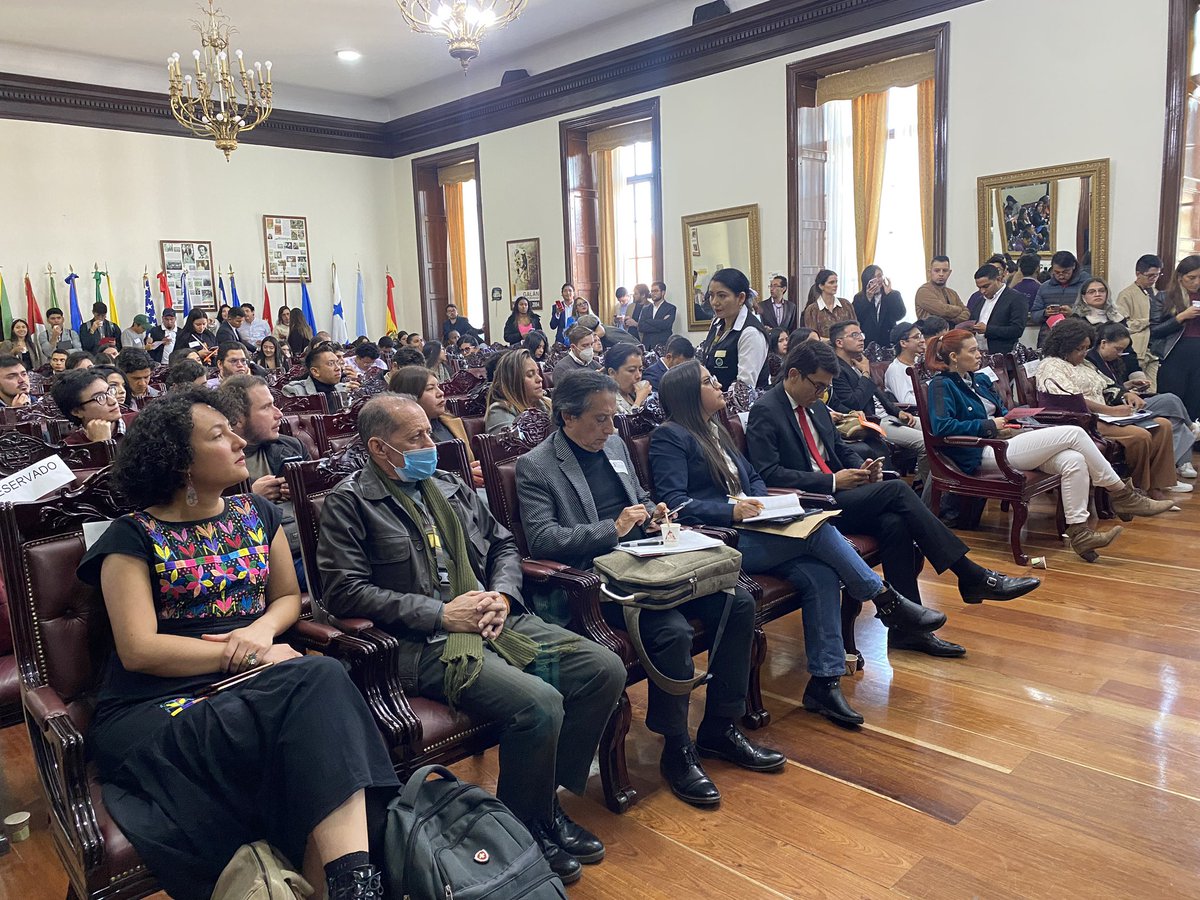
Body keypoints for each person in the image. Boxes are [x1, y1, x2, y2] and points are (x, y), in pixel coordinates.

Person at [76, 388, 397, 900]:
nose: (237, 439)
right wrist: (253, 653)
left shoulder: (258, 515)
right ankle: (357, 883)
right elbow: (139, 650)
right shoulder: (130, 537)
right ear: (180, 461)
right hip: (156, 704)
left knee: (315, 701)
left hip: (254, 685)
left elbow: (290, 598)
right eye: (218, 434)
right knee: (320, 679)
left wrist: (262, 633)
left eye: (232, 429)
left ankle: (346, 884)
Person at [317, 394, 625, 885]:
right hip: (425, 643)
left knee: (602, 669)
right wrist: (441, 613)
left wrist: (502, 594)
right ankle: (525, 829)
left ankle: (542, 806)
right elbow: (344, 592)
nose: (429, 443)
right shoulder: (349, 503)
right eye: (415, 437)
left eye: (428, 432)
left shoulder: (448, 484)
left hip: (492, 617)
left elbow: (503, 542)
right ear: (379, 447)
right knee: (540, 703)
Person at [516, 371, 791, 806]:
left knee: (737, 600)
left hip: (650, 559)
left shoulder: (613, 444)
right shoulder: (538, 465)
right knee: (672, 631)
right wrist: (613, 527)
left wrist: (653, 511)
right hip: (600, 578)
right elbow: (544, 540)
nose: (611, 429)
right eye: (600, 420)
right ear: (567, 417)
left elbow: (639, 495)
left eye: (613, 418)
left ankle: (721, 725)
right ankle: (677, 746)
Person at [747, 339, 1041, 656]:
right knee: (899, 489)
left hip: (838, 495)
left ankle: (908, 632)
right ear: (793, 374)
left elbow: (838, 448)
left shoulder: (816, 406)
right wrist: (832, 481)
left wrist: (860, 467)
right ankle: (971, 575)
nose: (821, 394)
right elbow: (769, 474)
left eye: (825, 387)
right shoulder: (766, 411)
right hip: (807, 505)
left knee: (895, 523)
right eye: (817, 386)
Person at [925, 329, 1174, 560]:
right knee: (1074, 434)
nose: (979, 354)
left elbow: (1002, 411)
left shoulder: (977, 380)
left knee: (1073, 460)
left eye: (977, 349)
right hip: (980, 452)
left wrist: (1015, 417)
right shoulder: (941, 384)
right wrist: (989, 425)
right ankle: (1122, 494)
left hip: (1006, 439)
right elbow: (942, 428)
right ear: (954, 357)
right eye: (972, 351)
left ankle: (1081, 533)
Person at [1038, 319, 1188, 497]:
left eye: (1086, 348)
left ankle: (1157, 487)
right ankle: (1135, 491)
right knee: (1140, 436)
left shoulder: (1083, 364)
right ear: (1064, 345)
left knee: (1163, 425)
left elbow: (1107, 385)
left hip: (1105, 416)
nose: (1084, 353)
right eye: (1080, 349)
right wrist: (1111, 411)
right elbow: (1071, 399)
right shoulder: (1052, 365)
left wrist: (1126, 394)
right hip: (1082, 420)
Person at [216, 375, 310, 586]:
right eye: (267, 407)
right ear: (238, 418)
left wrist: (303, 490)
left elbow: (323, 501)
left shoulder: (291, 447)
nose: (279, 414)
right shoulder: (217, 460)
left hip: (312, 546)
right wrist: (250, 498)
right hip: (259, 562)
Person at [1088, 320, 1199, 479]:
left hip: (1124, 401)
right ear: (1103, 343)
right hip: (1115, 408)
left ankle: (1175, 467)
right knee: (1170, 400)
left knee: (1173, 420)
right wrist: (1125, 392)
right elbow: (1104, 389)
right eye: (1118, 349)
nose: (1120, 354)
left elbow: (1111, 385)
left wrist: (1129, 385)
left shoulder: (1109, 360)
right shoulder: (1091, 360)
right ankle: (1192, 430)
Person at [828, 320, 929, 491]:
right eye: (855, 335)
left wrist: (898, 412)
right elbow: (854, 402)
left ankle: (928, 484)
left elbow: (877, 393)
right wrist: (866, 373)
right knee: (925, 443)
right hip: (872, 421)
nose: (861, 339)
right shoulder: (837, 369)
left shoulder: (856, 363)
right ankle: (926, 492)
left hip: (888, 416)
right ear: (839, 342)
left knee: (934, 431)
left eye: (861, 334)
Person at [388, 366, 485, 487]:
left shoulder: (452, 422)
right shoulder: (402, 436)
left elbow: (468, 462)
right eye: (430, 389)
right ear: (410, 395)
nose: (441, 393)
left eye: (438, 387)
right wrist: (461, 476)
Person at [1151, 254, 1200, 421]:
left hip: (1198, 355)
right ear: (1180, 277)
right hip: (1174, 355)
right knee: (1172, 402)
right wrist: (1181, 317)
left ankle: (1195, 441)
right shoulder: (1165, 297)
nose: (1196, 283)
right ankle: (1171, 442)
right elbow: (1154, 331)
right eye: (1191, 278)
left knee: (1196, 402)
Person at [702, 267, 768, 390]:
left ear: (741, 298)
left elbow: (744, 387)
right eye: (711, 295)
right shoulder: (717, 323)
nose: (715, 302)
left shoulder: (751, 333)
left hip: (745, 407)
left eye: (722, 296)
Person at [1115, 254, 1164, 390]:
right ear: (1138, 274)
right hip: (1137, 350)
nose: (1154, 279)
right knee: (1138, 389)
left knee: (1153, 390)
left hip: (1154, 350)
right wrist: (1149, 321)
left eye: (1157, 275)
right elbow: (1124, 325)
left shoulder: (1157, 293)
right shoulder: (1126, 294)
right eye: (1150, 275)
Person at [51, 368, 135, 443]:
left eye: (110, 391)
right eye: (100, 397)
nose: (113, 401)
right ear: (76, 411)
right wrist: (100, 445)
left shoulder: (139, 422)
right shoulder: (70, 449)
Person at [966, 264, 1028, 354]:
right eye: (979, 287)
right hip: (979, 353)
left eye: (986, 286)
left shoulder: (1016, 298)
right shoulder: (979, 300)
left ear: (998, 279)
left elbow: (1017, 330)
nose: (982, 291)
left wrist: (988, 330)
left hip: (1003, 355)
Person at [484, 348, 550, 433]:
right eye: (530, 375)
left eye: (537, 373)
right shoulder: (500, 410)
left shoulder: (547, 403)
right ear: (513, 381)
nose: (540, 379)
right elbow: (513, 444)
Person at [1032, 250, 1089, 347]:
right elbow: (1034, 314)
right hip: (1049, 338)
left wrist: (1073, 313)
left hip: (1077, 337)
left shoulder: (1086, 285)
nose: (1061, 276)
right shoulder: (1045, 287)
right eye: (1057, 272)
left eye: (1065, 272)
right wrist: (1045, 313)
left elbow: (1093, 312)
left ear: (1074, 267)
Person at [852, 265, 906, 349]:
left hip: (888, 340)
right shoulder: (859, 297)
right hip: (867, 341)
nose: (878, 280)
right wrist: (868, 299)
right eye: (874, 277)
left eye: (880, 276)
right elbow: (857, 318)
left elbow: (899, 315)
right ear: (867, 280)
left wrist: (889, 295)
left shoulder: (893, 294)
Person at [283, 345, 357, 399]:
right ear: (315, 371)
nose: (338, 368)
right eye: (331, 364)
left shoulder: (343, 389)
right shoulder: (295, 391)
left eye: (337, 363)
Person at [914, 256, 970, 324]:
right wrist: (959, 309)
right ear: (929, 272)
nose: (941, 274)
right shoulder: (924, 291)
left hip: (952, 332)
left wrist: (952, 321)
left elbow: (967, 313)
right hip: (931, 333)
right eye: (937, 270)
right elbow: (943, 311)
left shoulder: (952, 293)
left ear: (949, 273)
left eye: (945, 270)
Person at [802, 269, 854, 338]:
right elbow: (813, 337)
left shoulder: (846, 304)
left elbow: (854, 328)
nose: (835, 285)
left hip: (847, 347)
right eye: (831, 282)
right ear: (821, 286)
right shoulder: (812, 310)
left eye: (836, 282)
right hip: (822, 348)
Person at [603, 342, 652, 414]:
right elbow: (627, 424)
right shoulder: (607, 400)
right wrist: (638, 402)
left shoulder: (633, 393)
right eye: (631, 370)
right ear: (612, 373)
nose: (638, 376)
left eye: (640, 370)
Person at [885, 321, 925, 406]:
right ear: (903, 343)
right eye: (917, 337)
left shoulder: (919, 361)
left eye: (921, 336)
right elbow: (906, 401)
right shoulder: (895, 370)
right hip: (914, 415)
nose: (922, 340)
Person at [637, 282, 677, 351]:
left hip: (662, 346)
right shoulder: (646, 309)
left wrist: (648, 321)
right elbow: (641, 327)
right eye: (652, 291)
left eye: (656, 291)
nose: (653, 293)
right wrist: (660, 325)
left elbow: (666, 325)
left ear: (663, 292)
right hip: (647, 346)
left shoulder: (670, 308)